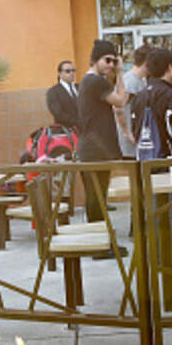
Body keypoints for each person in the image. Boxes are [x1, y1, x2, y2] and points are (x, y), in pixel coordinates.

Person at [130, 48, 172, 267]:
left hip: (147, 164)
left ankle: (154, 257)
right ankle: (170, 260)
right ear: (170, 68)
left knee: (154, 212)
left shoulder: (139, 97)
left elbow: (135, 130)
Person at [77, 40, 128, 243]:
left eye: (114, 62)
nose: (111, 65)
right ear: (95, 59)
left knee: (96, 199)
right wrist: (121, 73)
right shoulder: (96, 82)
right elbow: (120, 101)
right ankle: (98, 244)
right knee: (97, 199)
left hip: (92, 148)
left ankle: (99, 242)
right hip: (95, 149)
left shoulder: (89, 81)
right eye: (107, 60)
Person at [117, 46, 153, 158]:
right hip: (129, 142)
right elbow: (118, 107)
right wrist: (127, 133)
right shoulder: (130, 80)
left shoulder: (141, 80)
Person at [45, 60, 80, 130]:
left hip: (86, 130)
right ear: (59, 73)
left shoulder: (80, 87)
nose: (72, 73)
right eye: (68, 71)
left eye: (73, 70)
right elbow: (58, 114)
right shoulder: (53, 92)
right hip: (66, 131)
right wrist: (78, 121)